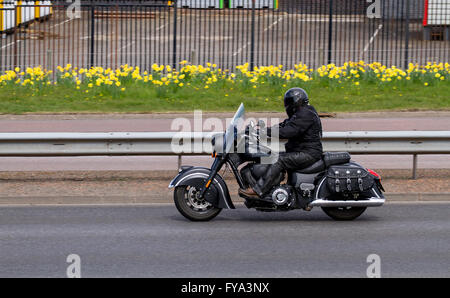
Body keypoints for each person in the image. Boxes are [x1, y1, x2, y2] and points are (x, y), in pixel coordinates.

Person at [239, 87, 323, 198]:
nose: (287, 106)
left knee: (278, 160)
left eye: (288, 102)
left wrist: (264, 132)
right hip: (303, 151)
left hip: (308, 153)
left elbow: (287, 132)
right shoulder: (302, 112)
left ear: (295, 102)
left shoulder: (305, 114)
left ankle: (258, 190)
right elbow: (284, 125)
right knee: (271, 156)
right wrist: (260, 130)